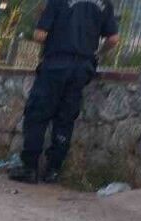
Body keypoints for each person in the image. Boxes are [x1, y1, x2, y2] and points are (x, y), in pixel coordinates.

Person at [10, 0, 120, 184]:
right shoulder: (105, 3)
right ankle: (53, 170)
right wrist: (98, 54)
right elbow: (113, 39)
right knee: (65, 118)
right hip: (82, 68)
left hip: (56, 64)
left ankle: (29, 167)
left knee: (37, 113)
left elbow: (40, 35)